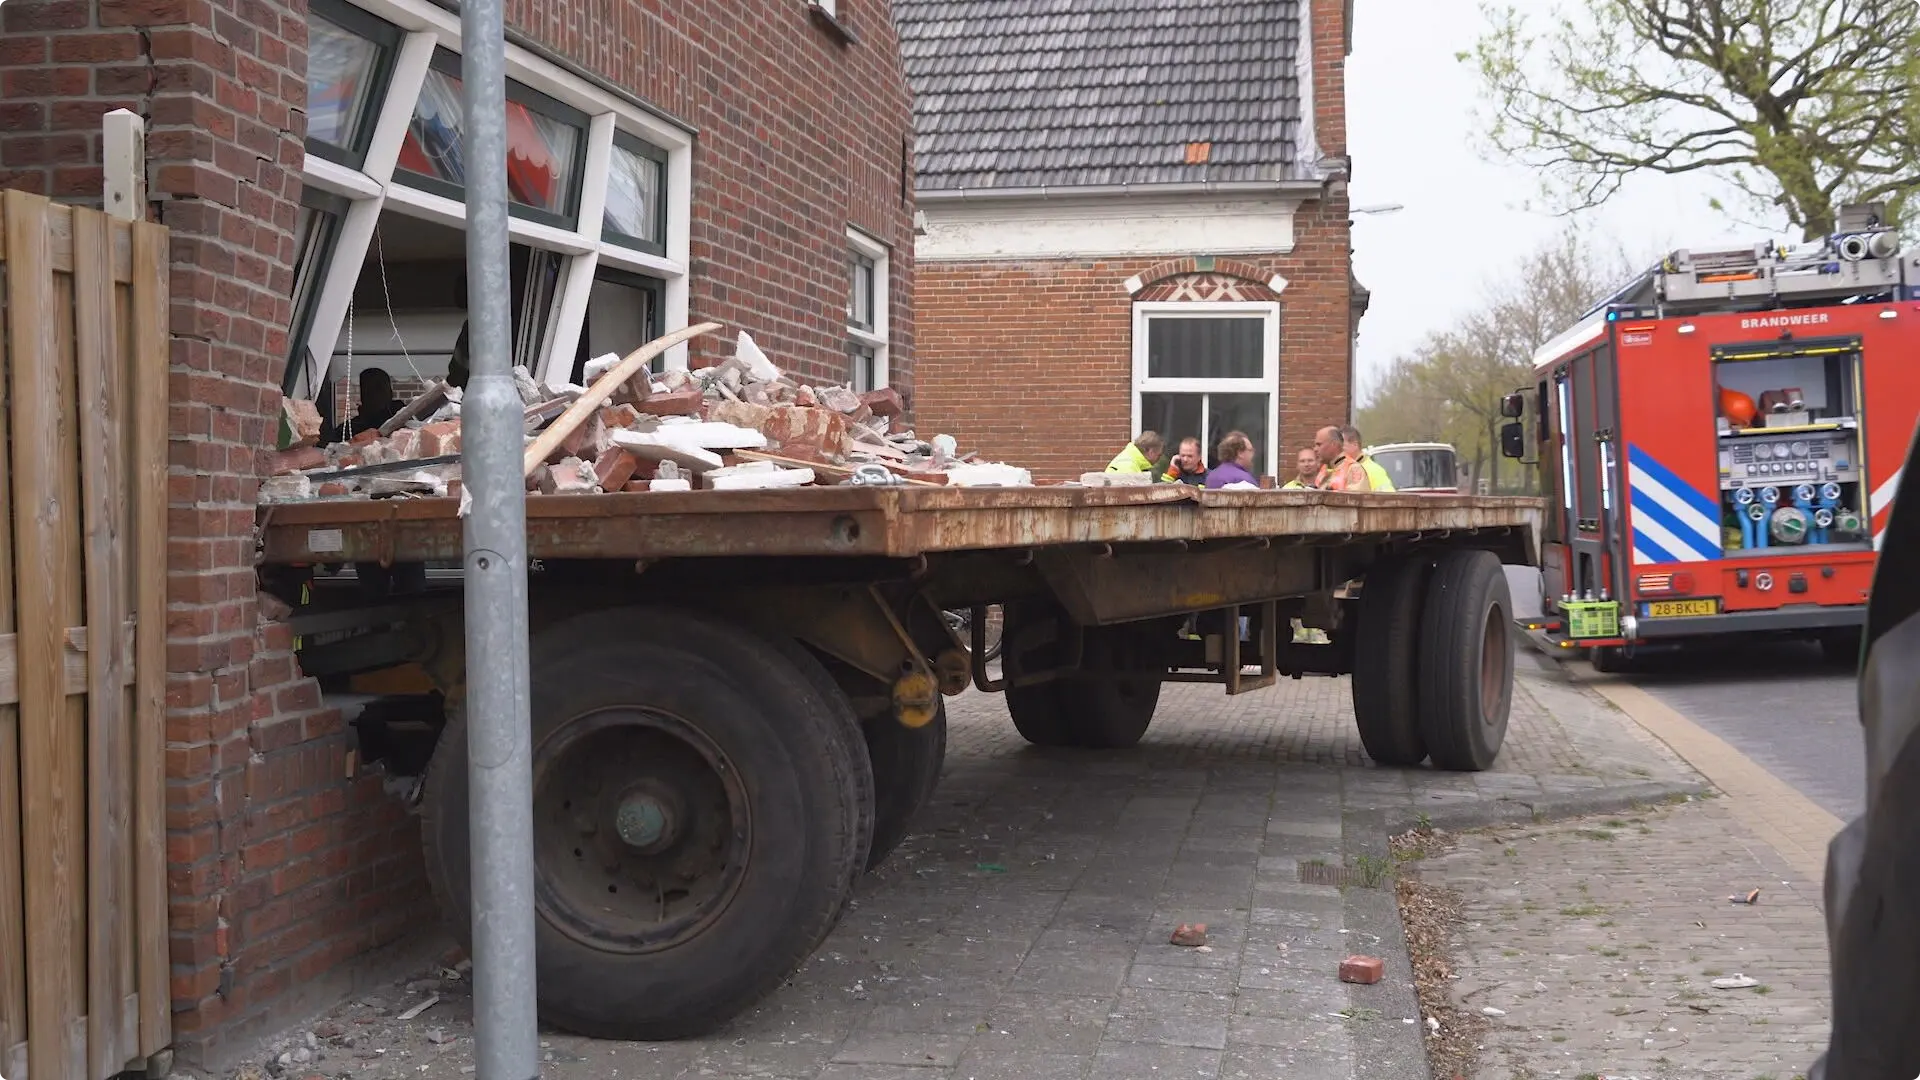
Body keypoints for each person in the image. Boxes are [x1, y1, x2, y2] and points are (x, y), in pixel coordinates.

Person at [346, 367, 401, 437]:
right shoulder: (350, 429)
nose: (375, 395)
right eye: (368, 391)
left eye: (379, 388)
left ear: (390, 392)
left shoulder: (403, 422)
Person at [1314, 424, 1370, 491]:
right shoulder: (1324, 468)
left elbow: (1357, 499)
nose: (1315, 449)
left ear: (1333, 444)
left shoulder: (1353, 469)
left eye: (1319, 445)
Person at [1342, 424, 1395, 492]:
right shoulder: (1340, 470)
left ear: (1355, 444)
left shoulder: (1374, 471)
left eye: (1341, 446)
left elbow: (1389, 499)